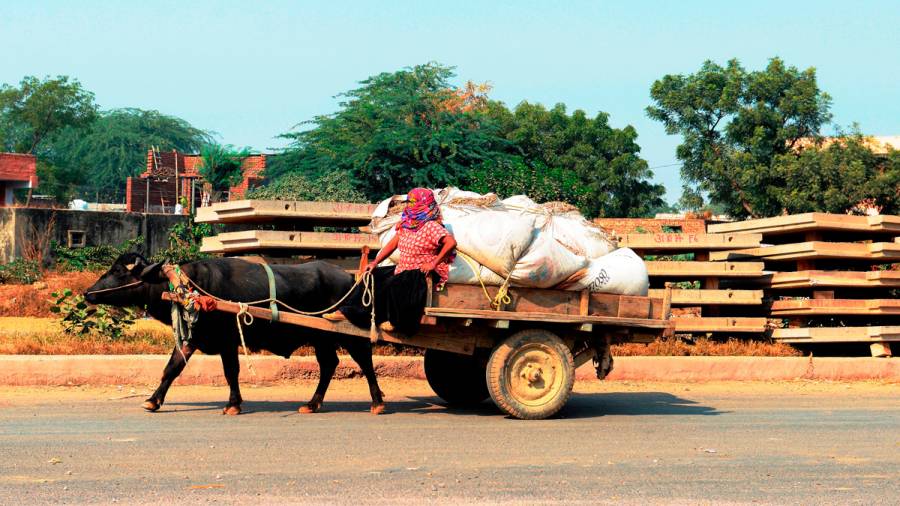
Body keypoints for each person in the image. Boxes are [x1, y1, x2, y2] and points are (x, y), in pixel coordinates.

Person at [324, 188, 457, 334]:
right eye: (409, 201)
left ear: (424, 204)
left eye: (413, 202)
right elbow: (393, 244)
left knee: (393, 283)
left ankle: (395, 322)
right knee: (371, 276)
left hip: (420, 272)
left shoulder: (431, 225)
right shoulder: (408, 223)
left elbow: (450, 243)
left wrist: (434, 263)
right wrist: (375, 262)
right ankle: (349, 312)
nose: (410, 205)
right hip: (404, 267)